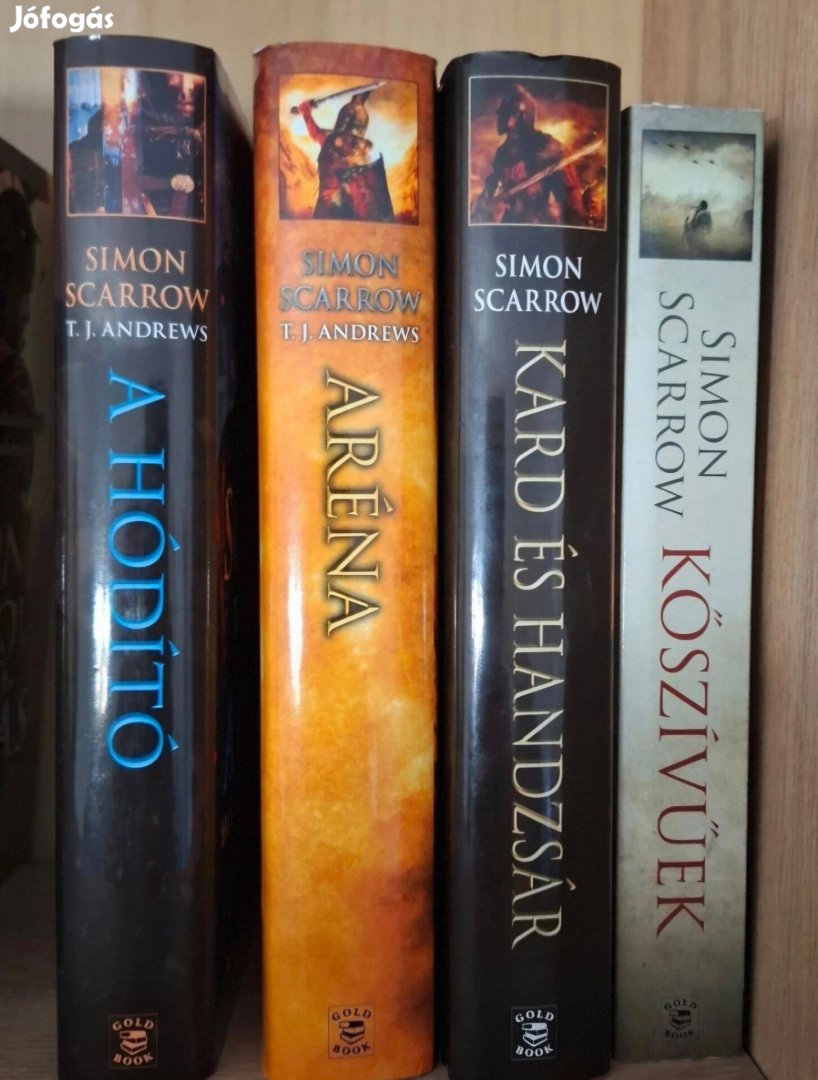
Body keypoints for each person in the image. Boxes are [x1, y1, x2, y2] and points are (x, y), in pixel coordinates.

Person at [471, 83, 586, 225]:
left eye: (511, 115)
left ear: (523, 117)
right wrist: (481, 206)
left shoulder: (547, 146)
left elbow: (570, 190)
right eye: (505, 114)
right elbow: (492, 183)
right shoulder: (503, 152)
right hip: (512, 219)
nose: (507, 122)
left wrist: (574, 220)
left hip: (538, 221)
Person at [299, 91, 394, 222]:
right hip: (328, 215)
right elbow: (316, 133)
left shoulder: (368, 158)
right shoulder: (331, 142)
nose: (347, 142)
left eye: (352, 141)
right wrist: (306, 112)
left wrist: (306, 112)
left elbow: (375, 201)